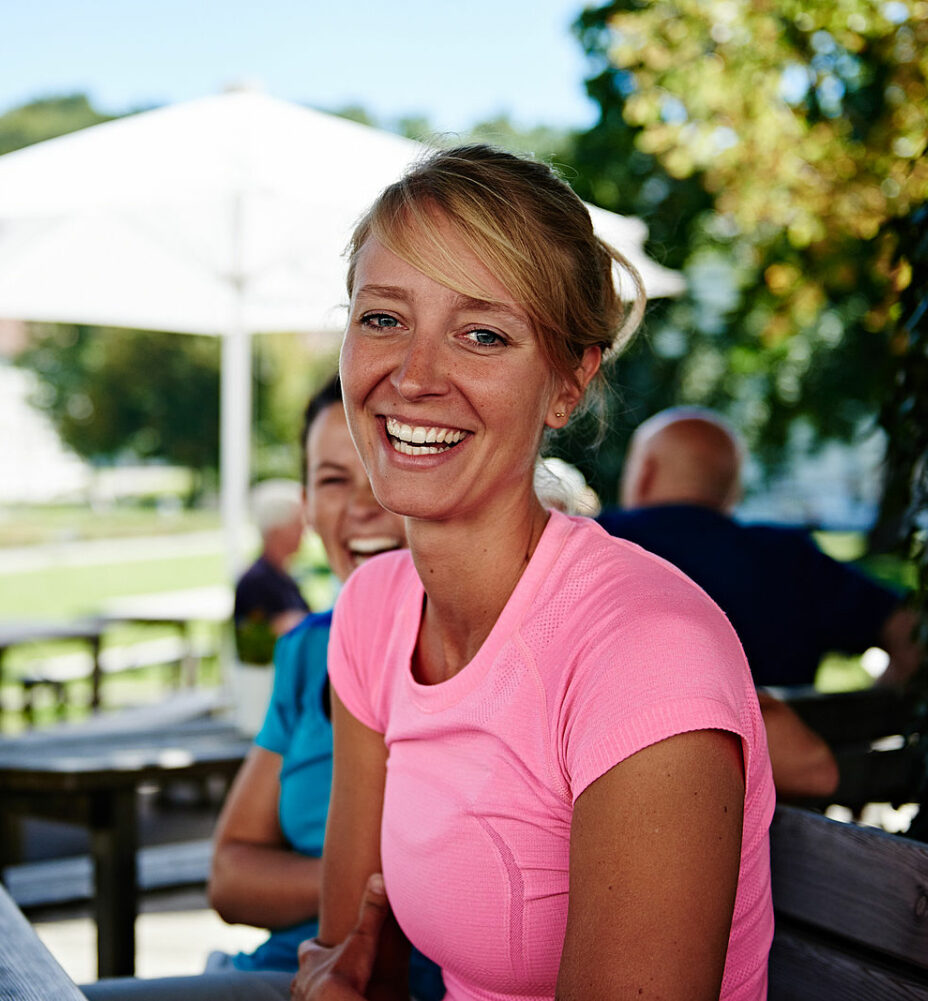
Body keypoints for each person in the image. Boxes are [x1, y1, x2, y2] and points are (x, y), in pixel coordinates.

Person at [297, 146, 775, 1001]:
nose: (411, 376)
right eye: (382, 318)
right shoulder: (373, 610)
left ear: (567, 384)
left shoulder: (644, 649)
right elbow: (347, 961)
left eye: (482, 334)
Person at [82, 376, 441, 1001]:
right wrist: (371, 881)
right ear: (306, 505)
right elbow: (229, 876)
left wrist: (316, 881)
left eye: (386, 461)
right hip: (280, 969)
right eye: (332, 480)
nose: (362, 503)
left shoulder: (495, 648)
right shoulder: (309, 650)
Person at [600, 406, 920, 690]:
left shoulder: (599, 544)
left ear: (644, 473)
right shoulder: (791, 557)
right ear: (733, 490)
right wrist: (874, 709)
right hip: (789, 755)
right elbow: (909, 630)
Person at [234, 479, 312, 663]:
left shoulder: (284, 575)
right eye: (297, 525)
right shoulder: (256, 581)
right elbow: (259, 637)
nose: (304, 533)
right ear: (277, 530)